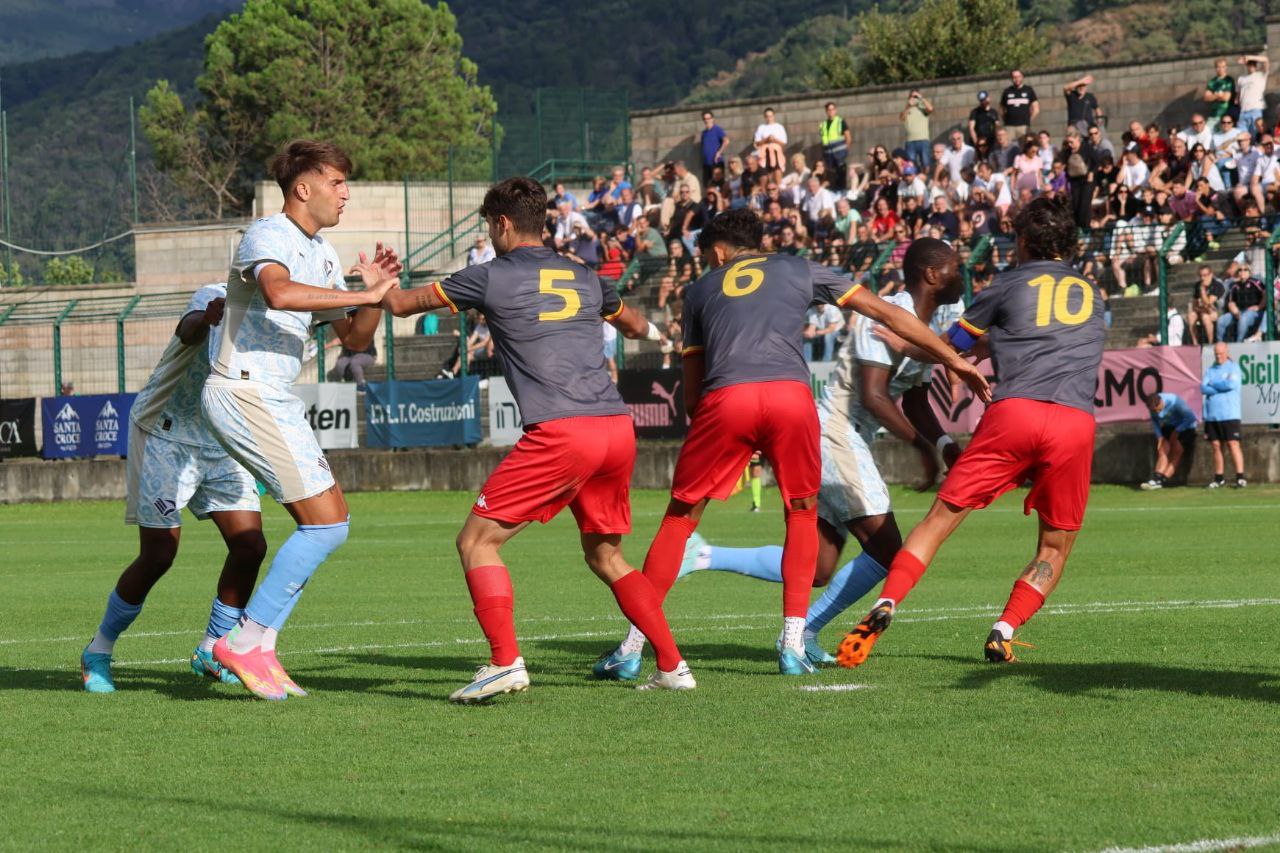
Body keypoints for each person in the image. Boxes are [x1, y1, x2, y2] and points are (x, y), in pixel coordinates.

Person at [593, 208, 990, 678]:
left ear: (717, 252)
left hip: (728, 397)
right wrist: (954, 359)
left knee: (680, 518)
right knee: (801, 515)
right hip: (792, 399)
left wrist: (731, 434)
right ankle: (794, 646)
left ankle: (633, 647)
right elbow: (886, 312)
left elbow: (693, 396)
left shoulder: (700, 290)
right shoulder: (799, 267)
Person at [379, 176, 693, 699]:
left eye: (489, 226)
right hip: (616, 427)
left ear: (503, 223)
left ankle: (504, 662)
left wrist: (377, 282)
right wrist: (659, 335)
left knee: (476, 542)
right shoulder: (587, 275)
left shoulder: (490, 275)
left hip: (563, 430)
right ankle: (672, 665)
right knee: (607, 557)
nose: (490, 235)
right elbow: (634, 324)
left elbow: (400, 305)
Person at [839, 197, 1105, 668]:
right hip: (1073, 422)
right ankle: (1004, 630)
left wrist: (905, 343)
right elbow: (1048, 336)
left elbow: (949, 349)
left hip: (1015, 413)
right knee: (1054, 546)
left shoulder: (1007, 285)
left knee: (939, 520)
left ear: (1023, 241)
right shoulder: (1092, 293)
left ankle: (888, 601)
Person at [675, 239, 966, 665]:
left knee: (817, 569)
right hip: (834, 432)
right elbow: (874, 395)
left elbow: (917, 400)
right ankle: (804, 631)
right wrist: (921, 447)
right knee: (888, 549)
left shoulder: (925, 322)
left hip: (845, 438)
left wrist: (943, 444)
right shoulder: (887, 314)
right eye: (956, 268)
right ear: (932, 275)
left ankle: (703, 554)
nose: (962, 275)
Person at [203, 140, 399, 700]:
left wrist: (371, 297)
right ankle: (242, 642)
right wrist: (359, 294)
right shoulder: (268, 234)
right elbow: (278, 292)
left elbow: (354, 339)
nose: (346, 193)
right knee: (326, 525)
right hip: (244, 390)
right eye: (337, 182)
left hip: (272, 396)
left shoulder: (326, 255)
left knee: (331, 521)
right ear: (303, 188)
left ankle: (256, 646)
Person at [79, 284, 266, 694]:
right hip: (165, 434)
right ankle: (98, 650)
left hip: (221, 441)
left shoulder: (276, 311)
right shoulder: (216, 293)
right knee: (159, 554)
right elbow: (188, 329)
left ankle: (211, 649)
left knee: (250, 546)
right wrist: (207, 317)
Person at [1201, 342, 1246, 489]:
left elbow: (1230, 385)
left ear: (1227, 352)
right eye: (1216, 354)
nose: (1218, 356)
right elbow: (1203, 388)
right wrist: (1220, 386)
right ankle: (1219, 478)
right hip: (1212, 415)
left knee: (1233, 444)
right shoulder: (1210, 370)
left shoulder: (1234, 367)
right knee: (1216, 446)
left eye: (1221, 353)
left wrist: (1213, 384)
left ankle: (1240, 477)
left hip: (1230, 413)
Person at [1141, 392, 1198, 490]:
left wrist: (1177, 431)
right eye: (1154, 411)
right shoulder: (1152, 406)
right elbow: (1155, 422)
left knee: (1176, 452)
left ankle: (1161, 481)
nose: (1158, 413)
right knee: (1162, 450)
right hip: (1168, 426)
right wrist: (1160, 437)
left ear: (1161, 402)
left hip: (1185, 427)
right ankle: (1156, 479)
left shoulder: (1175, 402)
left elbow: (1191, 418)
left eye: (1158, 409)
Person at [1217, 264, 1266, 342]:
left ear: (1249, 272)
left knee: (1244, 318)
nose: (1242, 271)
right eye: (1240, 270)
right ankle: (1220, 343)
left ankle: (1239, 343)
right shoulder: (1234, 285)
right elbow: (1231, 302)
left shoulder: (1256, 282)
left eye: (1245, 269)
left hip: (1253, 313)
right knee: (1221, 320)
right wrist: (1235, 312)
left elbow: (1266, 295)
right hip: (1238, 312)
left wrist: (1259, 306)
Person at [821, 101, 853, 191]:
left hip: (840, 156)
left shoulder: (840, 122)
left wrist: (845, 152)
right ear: (826, 111)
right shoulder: (823, 124)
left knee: (841, 179)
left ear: (835, 110)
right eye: (829, 110)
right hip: (829, 158)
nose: (831, 111)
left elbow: (848, 138)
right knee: (831, 180)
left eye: (832, 109)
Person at [900, 90, 934, 172]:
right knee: (911, 164)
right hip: (910, 141)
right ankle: (915, 177)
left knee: (926, 163)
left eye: (915, 96)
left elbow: (930, 109)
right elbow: (902, 118)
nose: (914, 98)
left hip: (923, 140)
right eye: (912, 96)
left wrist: (921, 98)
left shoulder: (922, 108)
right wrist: (908, 106)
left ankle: (924, 178)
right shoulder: (907, 109)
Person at [1000, 69, 1039, 140]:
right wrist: (1006, 120)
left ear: (1022, 77)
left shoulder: (1029, 90)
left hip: (1024, 126)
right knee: (1008, 146)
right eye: (1014, 77)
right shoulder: (1007, 91)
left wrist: (1028, 120)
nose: (1017, 79)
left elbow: (1036, 109)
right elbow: (1001, 109)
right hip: (1009, 126)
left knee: (1024, 145)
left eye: (1018, 76)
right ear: (1011, 79)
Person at [699, 110, 730, 187]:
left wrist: (719, 153)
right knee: (707, 185)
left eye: (708, 118)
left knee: (719, 184)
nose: (707, 120)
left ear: (712, 119)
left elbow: (726, 141)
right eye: (705, 119)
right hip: (706, 164)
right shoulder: (704, 133)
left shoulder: (717, 129)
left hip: (716, 162)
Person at [1205, 58, 1236, 131]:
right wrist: (1218, 95)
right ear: (1215, 68)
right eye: (1218, 67)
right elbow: (1206, 98)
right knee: (1207, 134)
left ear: (1226, 67)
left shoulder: (1229, 80)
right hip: (1213, 115)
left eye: (1223, 67)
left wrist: (1213, 95)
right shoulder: (1212, 81)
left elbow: (1226, 98)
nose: (1220, 69)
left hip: (1225, 116)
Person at [754, 108, 788, 173]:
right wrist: (766, 139)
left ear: (774, 116)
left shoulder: (779, 127)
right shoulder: (761, 127)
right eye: (767, 116)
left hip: (776, 153)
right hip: (765, 154)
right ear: (765, 117)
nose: (769, 118)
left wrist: (774, 140)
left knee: (777, 171)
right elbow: (757, 142)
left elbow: (784, 142)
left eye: (771, 116)